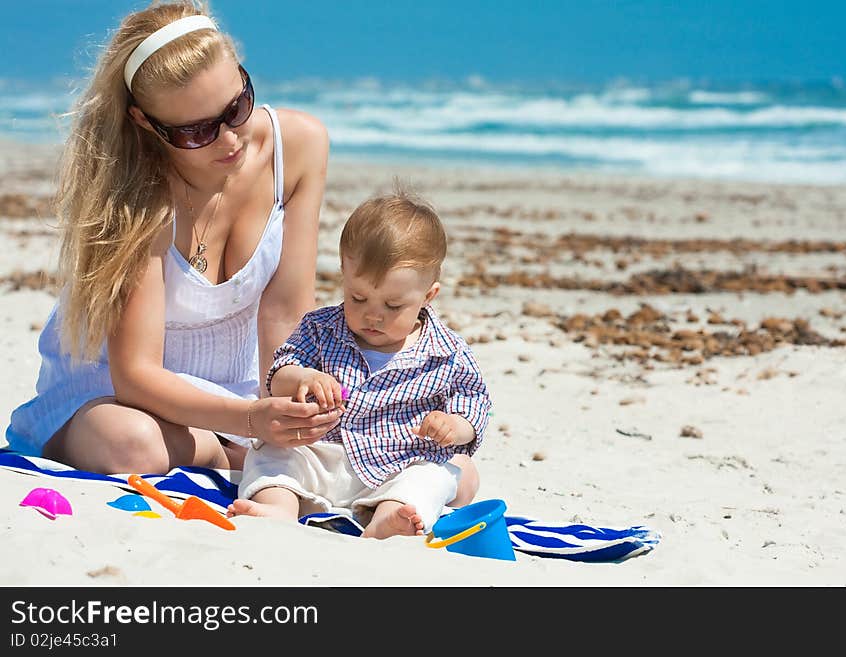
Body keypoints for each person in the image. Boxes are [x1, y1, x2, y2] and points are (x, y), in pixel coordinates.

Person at [4, 1, 342, 474]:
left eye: (237, 108)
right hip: (114, 395)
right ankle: (224, 455)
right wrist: (250, 422)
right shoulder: (136, 192)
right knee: (131, 444)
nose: (230, 141)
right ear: (146, 121)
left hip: (234, 392)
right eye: (197, 131)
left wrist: (291, 389)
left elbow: (286, 316)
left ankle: (226, 451)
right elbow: (136, 377)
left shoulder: (299, 147)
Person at [228, 188, 492, 538]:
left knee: (440, 473)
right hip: (319, 454)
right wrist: (303, 377)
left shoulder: (447, 352)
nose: (373, 315)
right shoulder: (320, 328)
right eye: (358, 297)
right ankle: (279, 505)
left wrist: (453, 426)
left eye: (393, 306)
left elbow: (475, 405)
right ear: (344, 276)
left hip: (398, 465)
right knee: (272, 451)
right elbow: (279, 373)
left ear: (428, 296)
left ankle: (391, 517)